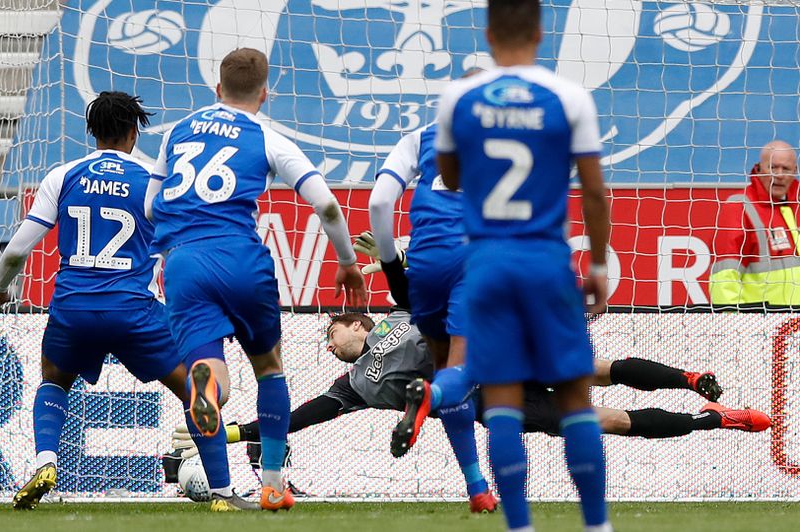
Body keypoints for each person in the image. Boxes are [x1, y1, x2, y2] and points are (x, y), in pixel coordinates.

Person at [166, 244, 769, 511]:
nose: (329, 347)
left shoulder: (401, 317)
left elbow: (408, 289)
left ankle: (691, 376)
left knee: (596, 369)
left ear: (354, 322)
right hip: (488, 401)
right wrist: (229, 435)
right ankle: (711, 418)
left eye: (331, 336)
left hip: (497, 356)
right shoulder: (353, 388)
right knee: (604, 420)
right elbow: (303, 417)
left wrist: (387, 259)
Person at [147, 47, 367, 512]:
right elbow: (326, 204)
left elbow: (150, 207)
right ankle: (270, 483)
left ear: (216, 89)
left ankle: (222, 487)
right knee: (269, 367)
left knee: (207, 377)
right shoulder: (266, 137)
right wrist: (347, 261)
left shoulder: (177, 134)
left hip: (185, 263)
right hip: (241, 258)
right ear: (265, 93)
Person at [0, 92, 221, 509]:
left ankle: (46, 462)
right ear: (133, 132)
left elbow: (18, 249)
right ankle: (221, 490)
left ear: (91, 132)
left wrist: (1, 290)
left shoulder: (63, 175)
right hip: (135, 311)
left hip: (72, 309)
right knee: (199, 390)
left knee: (54, 382)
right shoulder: (153, 181)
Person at [437, 1, 611, 530]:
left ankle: (519, 525)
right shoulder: (568, 97)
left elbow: (448, 177)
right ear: (540, 31)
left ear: (487, 34)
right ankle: (597, 523)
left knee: (503, 398)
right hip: (546, 262)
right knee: (576, 394)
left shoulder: (458, 98)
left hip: (486, 265)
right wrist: (599, 265)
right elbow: (596, 194)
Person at [369, 70, 482, 464]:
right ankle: (429, 394)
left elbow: (381, 203)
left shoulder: (419, 137)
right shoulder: (511, 140)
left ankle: (476, 486)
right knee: (463, 371)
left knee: (442, 365)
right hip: (475, 258)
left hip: (426, 260)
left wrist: (390, 264)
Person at [710, 141, 800, 306]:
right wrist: (732, 322)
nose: (779, 175)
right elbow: (724, 275)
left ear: (795, 171)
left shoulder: (797, 206)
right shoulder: (739, 206)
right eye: (772, 167)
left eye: (786, 169)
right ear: (759, 168)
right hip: (762, 325)